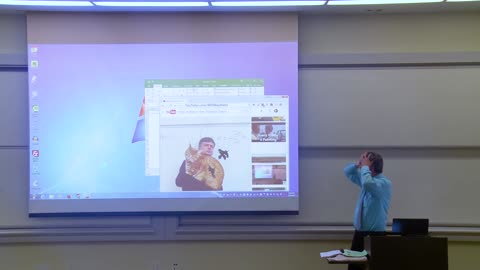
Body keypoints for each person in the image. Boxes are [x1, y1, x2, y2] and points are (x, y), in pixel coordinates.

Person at [343, 152, 392, 270]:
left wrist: (364, 168)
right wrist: (357, 165)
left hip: (374, 235)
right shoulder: (367, 179)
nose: (363, 164)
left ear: (372, 166)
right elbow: (347, 172)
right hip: (359, 233)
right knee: (354, 267)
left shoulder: (384, 183)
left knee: (373, 266)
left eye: (365, 162)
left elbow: (367, 184)